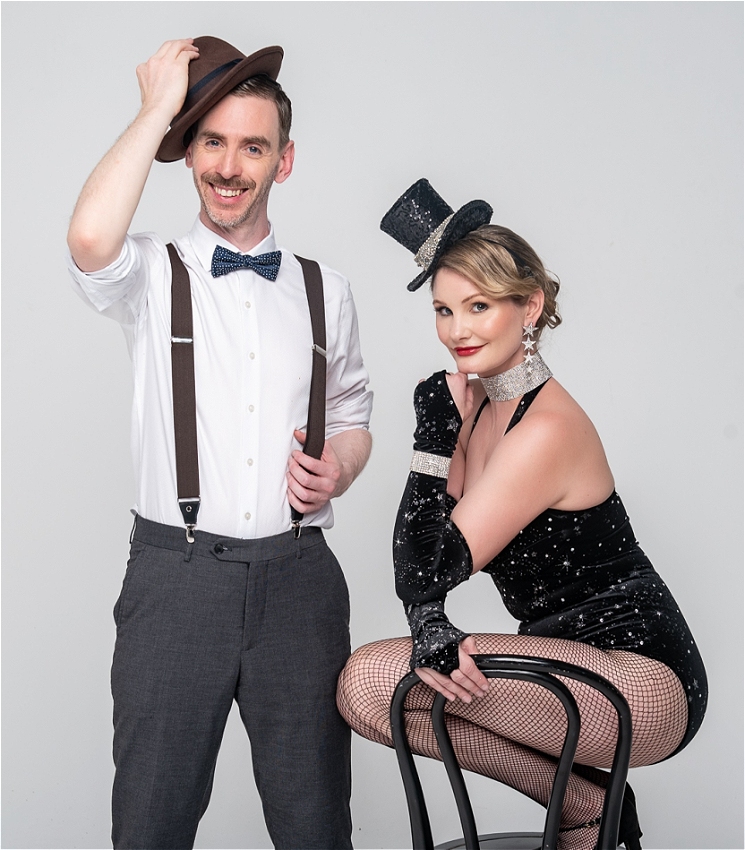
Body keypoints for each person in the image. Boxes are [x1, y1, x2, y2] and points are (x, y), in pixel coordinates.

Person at [66, 37, 372, 850]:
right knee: (151, 825)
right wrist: (156, 110)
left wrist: (338, 465)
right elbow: (90, 239)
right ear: (187, 151)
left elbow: (351, 411)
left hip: (300, 585)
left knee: (316, 829)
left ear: (285, 160)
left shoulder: (324, 289)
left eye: (252, 146)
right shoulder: (150, 272)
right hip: (177, 580)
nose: (230, 167)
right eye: (211, 142)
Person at [336, 179, 706, 850]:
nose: (457, 331)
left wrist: (427, 445)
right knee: (366, 695)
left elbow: (432, 565)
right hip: (557, 666)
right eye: (443, 311)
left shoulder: (545, 430)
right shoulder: (473, 405)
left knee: (370, 677)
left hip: (638, 678)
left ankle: (585, 807)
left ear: (528, 306)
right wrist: (427, 625)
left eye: (477, 306)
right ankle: (585, 803)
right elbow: (420, 575)